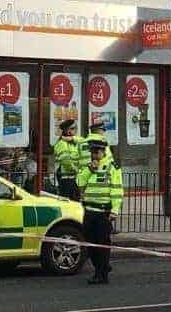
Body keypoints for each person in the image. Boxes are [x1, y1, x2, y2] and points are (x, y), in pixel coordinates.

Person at [77, 138, 123, 285]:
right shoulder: (89, 167)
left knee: (102, 244)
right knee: (89, 244)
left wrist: (115, 210)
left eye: (96, 152)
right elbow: (79, 182)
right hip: (89, 211)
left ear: (103, 152)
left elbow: (117, 191)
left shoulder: (112, 168)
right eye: (92, 152)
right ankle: (102, 266)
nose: (94, 155)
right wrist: (90, 169)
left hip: (103, 213)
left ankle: (101, 274)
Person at [53, 119, 82, 200]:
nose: (76, 130)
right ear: (67, 130)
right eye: (73, 128)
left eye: (76, 128)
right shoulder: (61, 144)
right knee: (68, 202)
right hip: (66, 179)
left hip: (75, 178)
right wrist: (76, 170)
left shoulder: (74, 143)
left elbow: (85, 141)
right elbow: (66, 160)